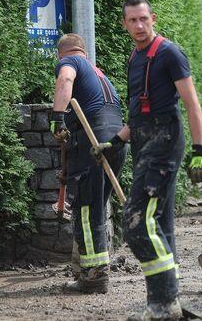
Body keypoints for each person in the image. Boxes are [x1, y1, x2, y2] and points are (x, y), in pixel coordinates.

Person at [93, 0, 202, 319]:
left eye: (144, 19)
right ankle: (164, 304)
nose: (139, 26)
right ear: (124, 24)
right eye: (132, 20)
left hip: (165, 142)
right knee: (160, 225)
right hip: (143, 141)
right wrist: (115, 141)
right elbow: (138, 112)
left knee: (134, 222)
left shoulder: (169, 53)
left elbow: (192, 104)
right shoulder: (135, 57)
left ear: (153, 18)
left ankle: (164, 302)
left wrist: (200, 152)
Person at [49, 33, 127, 294]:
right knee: (95, 206)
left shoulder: (69, 62)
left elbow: (65, 79)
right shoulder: (99, 73)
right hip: (115, 141)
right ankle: (94, 268)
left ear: (64, 53)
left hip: (92, 139)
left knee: (84, 208)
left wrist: (58, 118)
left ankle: (93, 275)